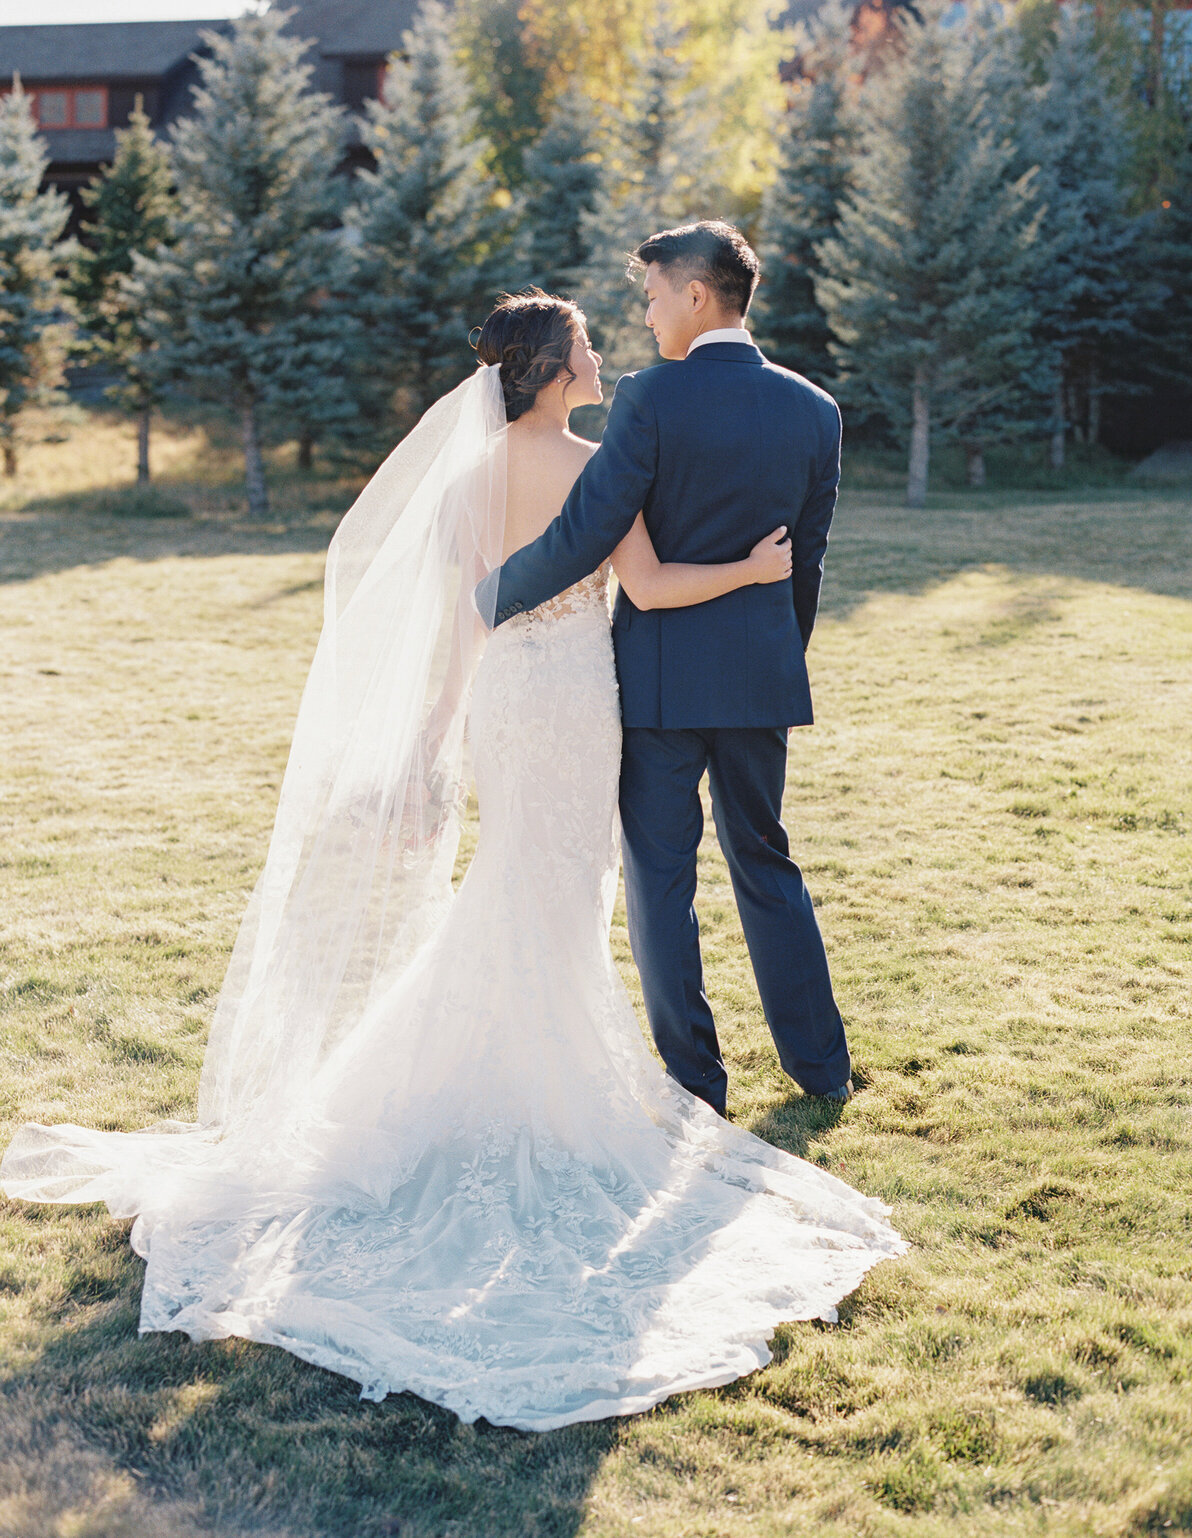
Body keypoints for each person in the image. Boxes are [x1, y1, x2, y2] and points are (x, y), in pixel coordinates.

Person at [0, 285, 902, 1433]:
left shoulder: (468, 480)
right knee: (562, 900)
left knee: (513, 887)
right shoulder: (597, 465)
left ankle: (478, 1077)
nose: (599, 354)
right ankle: (537, 1089)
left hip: (504, 713)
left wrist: (430, 751)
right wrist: (757, 574)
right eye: (584, 345)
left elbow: (460, 627)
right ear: (552, 370)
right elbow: (655, 586)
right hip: (582, 704)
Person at [487, 222, 852, 1117]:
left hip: (655, 683)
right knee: (767, 861)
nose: (646, 316)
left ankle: (696, 1082)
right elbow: (804, 568)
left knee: (661, 878)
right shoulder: (816, 409)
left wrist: (488, 599)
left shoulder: (649, 400)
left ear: (696, 294)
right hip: (760, 678)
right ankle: (822, 1067)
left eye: (653, 296)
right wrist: (772, 660)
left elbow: (584, 534)